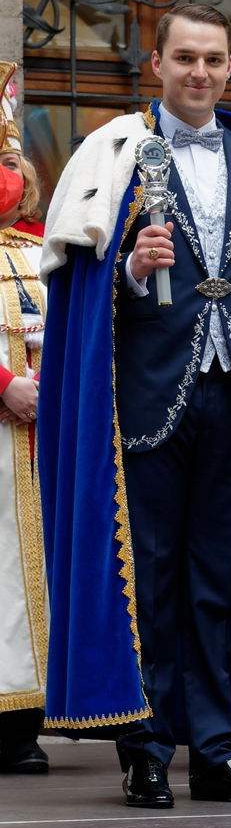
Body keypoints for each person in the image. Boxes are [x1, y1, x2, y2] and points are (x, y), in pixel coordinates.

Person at [38, 3, 231, 808]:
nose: (199, 73)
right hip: (145, 399)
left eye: (213, 60)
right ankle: (145, 750)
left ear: (230, 68)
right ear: (158, 65)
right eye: (185, 58)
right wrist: (132, 269)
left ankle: (213, 752)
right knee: (150, 578)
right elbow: (83, 290)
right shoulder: (116, 154)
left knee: (217, 582)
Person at [0, 62, 49, 774]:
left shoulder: (42, 246)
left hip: (41, 437)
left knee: (30, 575)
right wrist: (5, 384)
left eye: (10, 161)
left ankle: (21, 719)